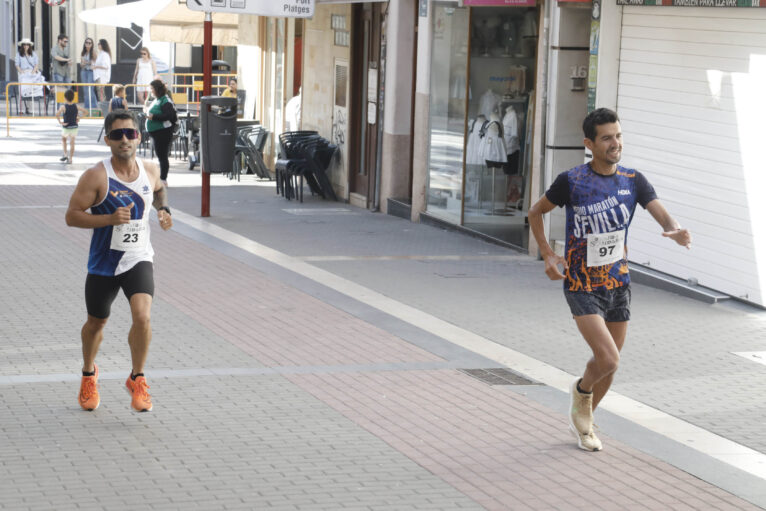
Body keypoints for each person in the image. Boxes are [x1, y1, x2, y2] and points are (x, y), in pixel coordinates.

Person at [528, 108, 692, 452]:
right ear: (590, 143)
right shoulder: (571, 181)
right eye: (606, 138)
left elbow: (661, 214)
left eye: (618, 135)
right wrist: (547, 253)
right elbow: (535, 212)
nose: (615, 143)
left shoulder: (633, 180)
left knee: (609, 365)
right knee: (609, 359)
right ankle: (581, 394)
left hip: (618, 284)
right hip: (582, 284)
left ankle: (585, 420)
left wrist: (675, 231)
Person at [65, 109, 173, 413]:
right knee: (96, 322)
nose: (124, 139)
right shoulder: (96, 176)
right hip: (104, 262)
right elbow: (71, 216)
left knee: (143, 317)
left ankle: (137, 378)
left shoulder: (149, 170)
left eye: (130, 133)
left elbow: (160, 188)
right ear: (108, 140)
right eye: (117, 134)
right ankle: (89, 373)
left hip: (139, 257)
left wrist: (164, 211)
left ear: (139, 137)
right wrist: (109, 218)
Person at [144, 79, 177, 186]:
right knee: (160, 155)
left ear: (157, 89)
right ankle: (161, 178)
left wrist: (154, 117)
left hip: (163, 132)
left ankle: (163, 179)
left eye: (152, 89)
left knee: (162, 156)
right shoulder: (158, 99)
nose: (151, 91)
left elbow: (169, 116)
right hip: (156, 132)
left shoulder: (165, 100)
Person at [56, 89, 88, 164]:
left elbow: (57, 114)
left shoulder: (63, 107)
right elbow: (86, 112)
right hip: (74, 127)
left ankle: (65, 154)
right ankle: (71, 158)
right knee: (72, 142)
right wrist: (79, 118)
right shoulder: (76, 106)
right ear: (73, 98)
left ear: (65, 98)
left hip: (66, 127)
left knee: (64, 140)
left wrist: (60, 122)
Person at [15, 38, 42, 115]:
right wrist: (21, 72)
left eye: (27, 44)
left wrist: (33, 72)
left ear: (29, 46)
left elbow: (36, 64)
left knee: (30, 91)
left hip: (31, 73)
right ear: (22, 45)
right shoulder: (18, 54)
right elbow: (17, 65)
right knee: (22, 90)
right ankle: (21, 109)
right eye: (24, 44)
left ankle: (29, 108)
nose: (26, 46)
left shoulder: (33, 54)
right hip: (23, 73)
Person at [79, 37, 97, 111]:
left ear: (92, 44)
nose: (88, 44)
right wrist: (84, 63)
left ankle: (94, 107)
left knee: (90, 89)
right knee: (85, 90)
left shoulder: (93, 52)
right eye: (86, 42)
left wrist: (85, 62)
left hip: (91, 72)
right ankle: (86, 107)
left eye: (89, 43)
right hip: (83, 71)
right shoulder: (83, 52)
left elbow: (94, 62)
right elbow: (81, 64)